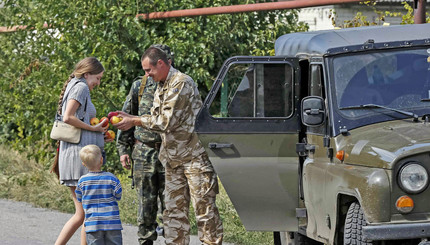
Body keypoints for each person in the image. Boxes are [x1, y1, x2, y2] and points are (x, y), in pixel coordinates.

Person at [113, 47, 223, 244]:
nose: (147, 75)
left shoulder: (181, 83)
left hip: (194, 158)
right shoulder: (160, 84)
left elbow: (165, 121)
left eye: (149, 70)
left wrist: (135, 120)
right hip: (172, 160)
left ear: (161, 64)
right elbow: (155, 117)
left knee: (204, 211)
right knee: (173, 214)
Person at [116, 44, 173, 245]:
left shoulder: (177, 86)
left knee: (172, 204)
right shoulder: (139, 86)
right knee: (145, 204)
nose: (148, 74)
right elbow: (126, 117)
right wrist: (123, 148)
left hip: (169, 152)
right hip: (143, 152)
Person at [55, 57, 110, 245]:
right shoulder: (81, 87)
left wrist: (99, 135)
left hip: (75, 157)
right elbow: (68, 117)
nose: (98, 83)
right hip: (80, 160)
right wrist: (94, 130)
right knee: (87, 211)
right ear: (87, 74)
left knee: (83, 213)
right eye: (98, 78)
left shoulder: (75, 85)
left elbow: (79, 123)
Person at [76, 144, 123, 245]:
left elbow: (79, 197)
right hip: (112, 223)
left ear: (83, 164)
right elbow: (118, 195)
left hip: (92, 224)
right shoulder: (111, 178)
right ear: (101, 160)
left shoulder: (82, 181)